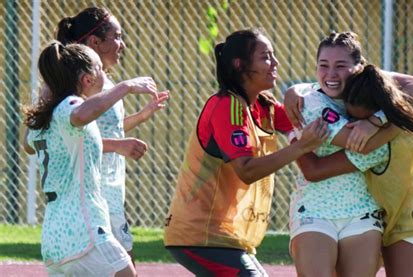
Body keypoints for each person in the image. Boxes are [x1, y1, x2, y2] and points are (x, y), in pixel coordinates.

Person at [163, 28, 328, 276]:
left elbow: (305, 116)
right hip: (200, 235)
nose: (275, 63)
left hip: (228, 238)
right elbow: (247, 170)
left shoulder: (265, 105)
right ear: (240, 65)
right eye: (265, 57)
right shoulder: (227, 106)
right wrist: (301, 146)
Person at [284, 32, 413, 277]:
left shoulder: (375, 93)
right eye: (323, 65)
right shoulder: (311, 104)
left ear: (359, 67)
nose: (331, 74)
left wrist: (377, 120)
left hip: (370, 211)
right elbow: (364, 147)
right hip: (314, 212)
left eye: (340, 66)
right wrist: (403, 118)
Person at [23, 42, 158, 276]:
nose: (104, 76)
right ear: (86, 79)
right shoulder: (70, 105)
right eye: (99, 70)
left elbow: (27, 145)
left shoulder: (48, 117)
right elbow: (81, 113)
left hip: (54, 234)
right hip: (84, 228)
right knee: (126, 273)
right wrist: (126, 87)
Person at [55, 6, 169, 260]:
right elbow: (71, 138)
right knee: (122, 267)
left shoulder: (105, 83)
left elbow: (103, 131)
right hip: (91, 191)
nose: (122, 44)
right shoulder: (81, 84)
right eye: (116, 36)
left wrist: (141, 116)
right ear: (95, 42)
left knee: (123, 265)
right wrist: (119, 145)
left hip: (112, 191)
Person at [337, 64, 413, 277]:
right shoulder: (408, 111)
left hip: (409, 215)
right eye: (353, 120)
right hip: (365, 213)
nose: (357, 127)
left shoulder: (412, 118)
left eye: (362, 120)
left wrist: (377, 122)